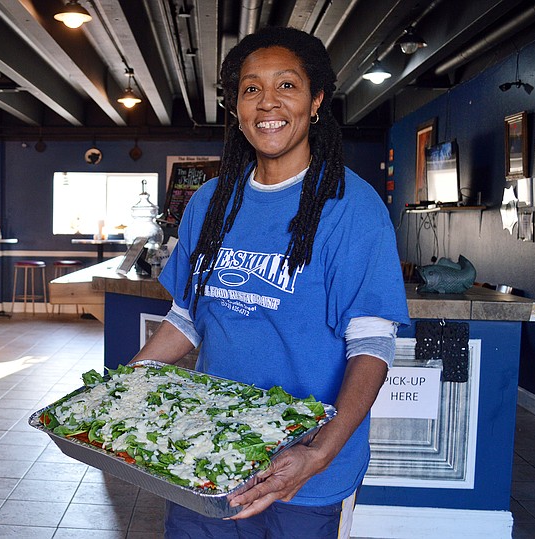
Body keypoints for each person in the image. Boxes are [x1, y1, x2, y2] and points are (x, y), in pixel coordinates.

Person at [131, 26, 410, 538]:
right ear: (236, 110)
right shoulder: (211, 202)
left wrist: (320, 451)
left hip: (302, 470)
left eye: (287, 86)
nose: (267, 103)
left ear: (316, 101)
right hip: (207, 454)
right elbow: (188, 319)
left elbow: (372, 343)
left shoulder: (353, 207)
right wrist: (116, 388)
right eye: (250, 89)